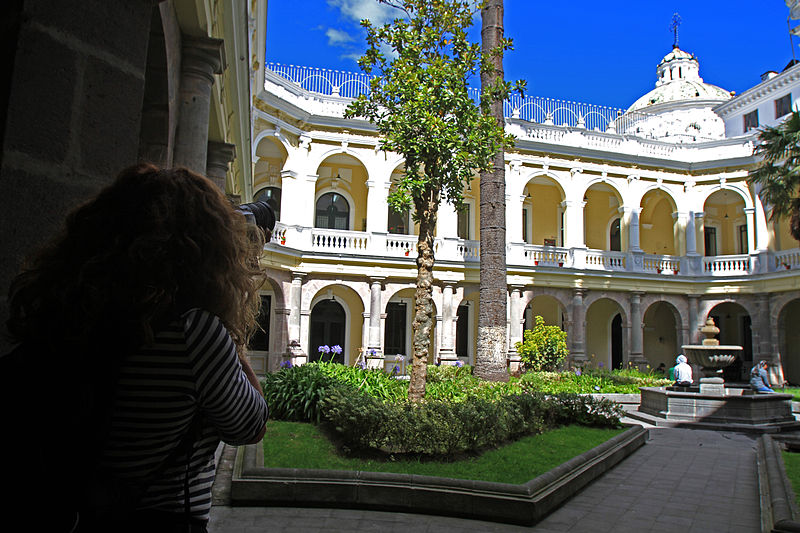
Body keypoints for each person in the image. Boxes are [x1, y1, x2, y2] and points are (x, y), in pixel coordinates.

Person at [4, 165, 270, 532]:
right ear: (206, 246)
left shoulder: (71, 311)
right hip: (160, 519)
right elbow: (250, 425)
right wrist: (231, 332)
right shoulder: (194, 332)